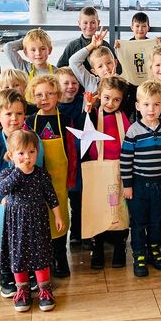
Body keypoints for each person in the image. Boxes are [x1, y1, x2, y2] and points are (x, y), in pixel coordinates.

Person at [0, 89, 44, 298]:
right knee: (3, 237)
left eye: (19, 114)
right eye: (8, 114)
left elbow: (41, 169)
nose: (14, 119)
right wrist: (0, 197)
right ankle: (6, 274)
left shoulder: (33, 140)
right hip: (5, 202)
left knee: (29, 238)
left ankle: (32, 272)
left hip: (30, 203)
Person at [0, 129, 64, 312]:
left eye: (32, 152)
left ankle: (44, 289)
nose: (27, 157)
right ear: (11, 156)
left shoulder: (41, 175)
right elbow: (2, 189)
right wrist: (19, 172)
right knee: (18, 256)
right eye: (21, 153)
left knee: (41, 255)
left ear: (37, 152)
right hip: (16, 225)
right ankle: (22, 290)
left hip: (38, 223)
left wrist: (58, 216)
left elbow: (51, 196)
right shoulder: (7, 175)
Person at [23, 74, 77, 278]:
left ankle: (60, 257)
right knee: (40, 219)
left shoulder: (65, 120)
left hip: (59, 180)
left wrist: (71, 179)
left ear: (58, 96)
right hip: (36, 181)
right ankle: (43, 259)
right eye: (39, 95)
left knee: (60, 217)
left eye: (49, 94)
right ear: (32, 96)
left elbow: (71, 151)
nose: (44, 98)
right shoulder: (29, 122)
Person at [120, 81, 161, 277]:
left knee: (156, 220)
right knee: (138, 221)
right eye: (146, 104)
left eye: (155, 104)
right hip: (139, 185)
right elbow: (125, 160)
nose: (151, 109)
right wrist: (127, 185)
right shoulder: (133, 131)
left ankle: (154, 250)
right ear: (137, 106)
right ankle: (139, 254)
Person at [82, 77, 131, 269]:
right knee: (97, 210)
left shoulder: (123, 115)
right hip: (98, 169)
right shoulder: (93, 113)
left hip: (120, 169)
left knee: (119, 210)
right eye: (107, 98)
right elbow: (84, 129)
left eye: (116, 99)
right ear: (98, 96)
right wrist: (88, 108)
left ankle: (120, 247)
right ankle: (98, 247)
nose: (111, 103)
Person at [56, 67, 86, 246]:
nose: (70, 86)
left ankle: (77, 232)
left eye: (74, 83)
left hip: (79, 156)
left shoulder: (83, 102)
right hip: (60, 156)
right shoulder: (53, 105)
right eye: (66, 83)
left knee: (77, 198)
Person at [57, 6, 118, 72]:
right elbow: (60, 69)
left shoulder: (105, 45)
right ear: (79, 24)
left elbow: (118, 69)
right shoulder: (72, 46)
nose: (89, 26)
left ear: (98, 23)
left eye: (93, 22)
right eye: (85, 23)